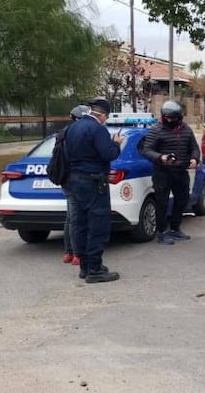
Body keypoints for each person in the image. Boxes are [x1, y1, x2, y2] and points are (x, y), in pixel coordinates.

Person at [64, 98, 123, 283]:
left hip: (73, 181)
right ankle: (95, 270)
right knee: (98, 225)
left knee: (79, 224)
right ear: (103, 115)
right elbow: (109, 154)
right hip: (93, 182)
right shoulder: (98, 129)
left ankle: (85, 267)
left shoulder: (72, 128)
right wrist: (116, 143)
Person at [141, 100, 200, 244]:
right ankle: (161, 232)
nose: (168, 120)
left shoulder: (186, 129)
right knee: (162, 203)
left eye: (172, 118)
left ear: (179, 117)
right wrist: (161, 157)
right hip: (162, 172)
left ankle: (175, 228)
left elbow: (194, 148)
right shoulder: (156, 129)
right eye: (166, 117)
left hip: (180, 171)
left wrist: (194, 159)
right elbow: (146, 150)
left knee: (182, 200)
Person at [61, 104, 90, 266]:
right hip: (76, 179)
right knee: (77, 218)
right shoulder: (77, 135)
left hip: (66, 179)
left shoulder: (63, 134)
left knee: (71, 217)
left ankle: (68, 252)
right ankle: (77, 254)